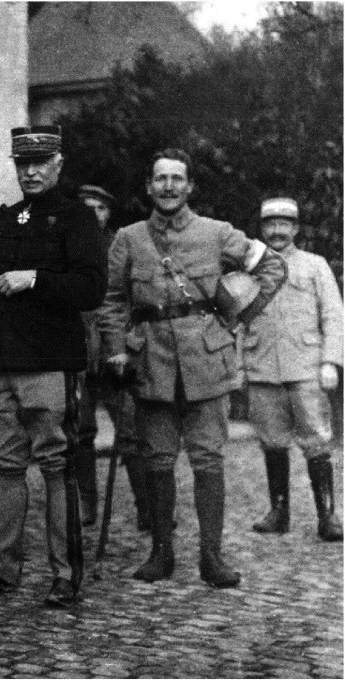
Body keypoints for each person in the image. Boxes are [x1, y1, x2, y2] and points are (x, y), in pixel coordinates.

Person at [99, 148, 287, 589]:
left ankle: (211, 557)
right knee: (158, 461)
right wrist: (116, 350)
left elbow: (273, 267)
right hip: (152, 364)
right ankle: (161, 552)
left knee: (208, 460)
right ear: (149, 187)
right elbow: (111, 302)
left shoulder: (218, 233)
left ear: (189, 187)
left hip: (207, 361)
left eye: (176, 179)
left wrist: (240, 315)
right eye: (160, 178)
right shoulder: (128, 238)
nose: (168, 186)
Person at [0, 126, 106, 608]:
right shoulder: (0, 220)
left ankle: (65, 575)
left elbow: (91, 290)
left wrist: (35, 279)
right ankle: (1, 567)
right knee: (5, 465)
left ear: (59, 163)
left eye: (41, 162)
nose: (32, 172)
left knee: (56, 465)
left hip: (48, 362)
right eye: (23, 163)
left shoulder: (77, 218)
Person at [244, 197, 343, 541]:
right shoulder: (249, 268)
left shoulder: (314, 266)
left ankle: (327, 516)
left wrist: (331, 360)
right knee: (271, 441)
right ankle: (278, 511)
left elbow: (334, 314)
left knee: (317, 440)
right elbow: (236, 315)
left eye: (284, 224)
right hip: (261, 366)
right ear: (262, 229)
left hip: (305, 366)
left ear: (296, 229)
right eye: (270, 225)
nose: (277, 231)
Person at [74, 184, 151, 531]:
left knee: (132, 433)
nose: (94, 215)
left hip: (117, 354)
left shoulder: (124, 246)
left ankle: (147, 507)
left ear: (109, 213)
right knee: (81, 432)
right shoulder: (65, 246)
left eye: (101, 208)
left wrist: (128, 345)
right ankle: (85, 503)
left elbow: (138, 300)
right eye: (86, 208)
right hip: (76, 355)